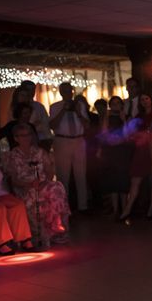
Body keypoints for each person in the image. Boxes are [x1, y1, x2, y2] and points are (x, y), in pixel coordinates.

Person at [6, 123, 70, 246]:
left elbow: (49, 171)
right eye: (22, 136)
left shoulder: (40, 152)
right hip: (24, 188)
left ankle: (57, 227)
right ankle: (43, 233)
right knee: (36, 197)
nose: (26, 138)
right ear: (16, 138)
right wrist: (29, 184)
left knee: (57, 187)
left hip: (42, 185)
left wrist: (44, 183)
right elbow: (13, 179)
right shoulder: (12, 156)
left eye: (28, 135)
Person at [49, 82, 89, 212]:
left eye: (69, 91)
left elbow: (87, 125)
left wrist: (78, 112)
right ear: (60, 92)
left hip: (78, 140)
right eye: (64, 91)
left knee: (81, 174)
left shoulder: (80, 105)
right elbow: (53, 125)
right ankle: (64, 207)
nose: (67, 93)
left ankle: (83, 206)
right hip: (62, 140)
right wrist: (63, 110)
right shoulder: (55, 107)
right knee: (63, 176)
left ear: (72, 91)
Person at [121, 93, 152, 224]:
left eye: (146, 98)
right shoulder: (139, 116)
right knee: (135, 180)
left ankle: (150, 209)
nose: (144, 101)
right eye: (142, 100)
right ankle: (128, 209)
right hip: (141, 150)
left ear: (151, 99)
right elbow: (130, 134)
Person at [20, 80, 53, 151]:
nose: (31, 93)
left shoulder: (39, 106)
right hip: (25, 140)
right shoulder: (17, 107)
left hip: (41, 139)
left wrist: (48, 138)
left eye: (33, 90)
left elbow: (45, 123)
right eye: (28, 90)